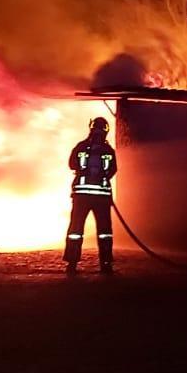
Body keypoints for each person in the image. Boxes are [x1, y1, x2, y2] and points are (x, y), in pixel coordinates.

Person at [63, 116, 118, 273]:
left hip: (84, 196)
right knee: (103, 231)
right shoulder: (107, 151)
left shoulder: (81, 147)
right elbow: (112, 170)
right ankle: (105, 263)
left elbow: (72, 164)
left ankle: (72, 263)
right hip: (99, 197)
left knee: (78, 230)